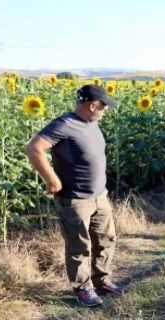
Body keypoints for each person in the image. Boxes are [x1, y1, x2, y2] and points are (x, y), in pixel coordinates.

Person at [26, 85, 125, 307]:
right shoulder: (65, 124)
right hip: (75, 199)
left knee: (106, 240)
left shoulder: (92, 123)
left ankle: (102, 281)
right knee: (79, 246)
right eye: (103, 106)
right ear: (92, 105)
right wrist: (51, 179)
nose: (105, 111)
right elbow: (34, 148)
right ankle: (83, 289)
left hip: (100, 196)